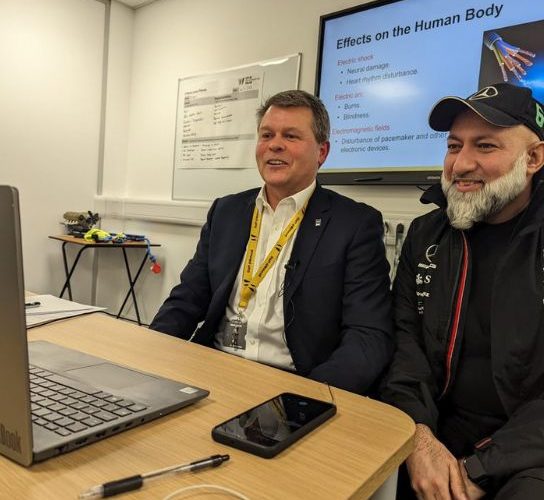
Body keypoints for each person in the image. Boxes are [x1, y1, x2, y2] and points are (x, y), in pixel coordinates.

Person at [150, 90, 392, 394]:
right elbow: (187, 299)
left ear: (322, 152)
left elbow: (368, 336)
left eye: (290, 136)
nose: (274, 144)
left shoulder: (354, 225)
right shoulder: (226, 211)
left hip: (293, 385)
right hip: (212, 370)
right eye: (267, 134)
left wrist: (309, 398)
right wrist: (150, 352)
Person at [381, 82, 544, 499]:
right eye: (454, 146)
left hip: (528, 450)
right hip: (434, 430)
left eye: (486, 147)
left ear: (534, 158)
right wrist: (417, 438)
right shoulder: (427, 233)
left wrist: (479, 468)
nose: (461, 164)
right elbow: (406, 346)